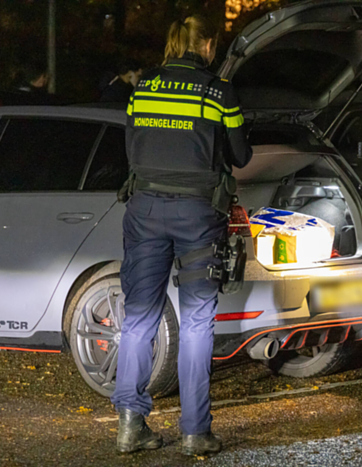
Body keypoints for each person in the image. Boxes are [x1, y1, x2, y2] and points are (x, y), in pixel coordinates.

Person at [111, 14, 252, 456]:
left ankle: (131, 425)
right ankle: (195, 432)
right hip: (196, 213)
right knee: (195, 324)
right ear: (207, 45)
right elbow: (241, 155)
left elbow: (133, 145)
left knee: (138, 318)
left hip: (146, 209)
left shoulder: (143, 87)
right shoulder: (218, 91)